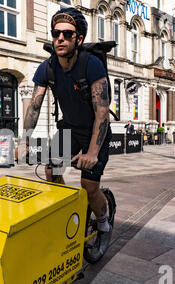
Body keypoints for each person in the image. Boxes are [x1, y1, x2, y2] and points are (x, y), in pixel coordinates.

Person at [16, 7, 113, 260]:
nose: (60, 38)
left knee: (88, 186)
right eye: (56, 33)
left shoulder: (90, 65)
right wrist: (24, 141)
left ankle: (103, 225)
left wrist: (92, 152)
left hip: (94, 132)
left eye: (67, 34)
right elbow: (35, 106)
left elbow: (102, 113)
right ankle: (65, 215)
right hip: (68, 128)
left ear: (78, 39)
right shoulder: (46, 68)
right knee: (51, 171)